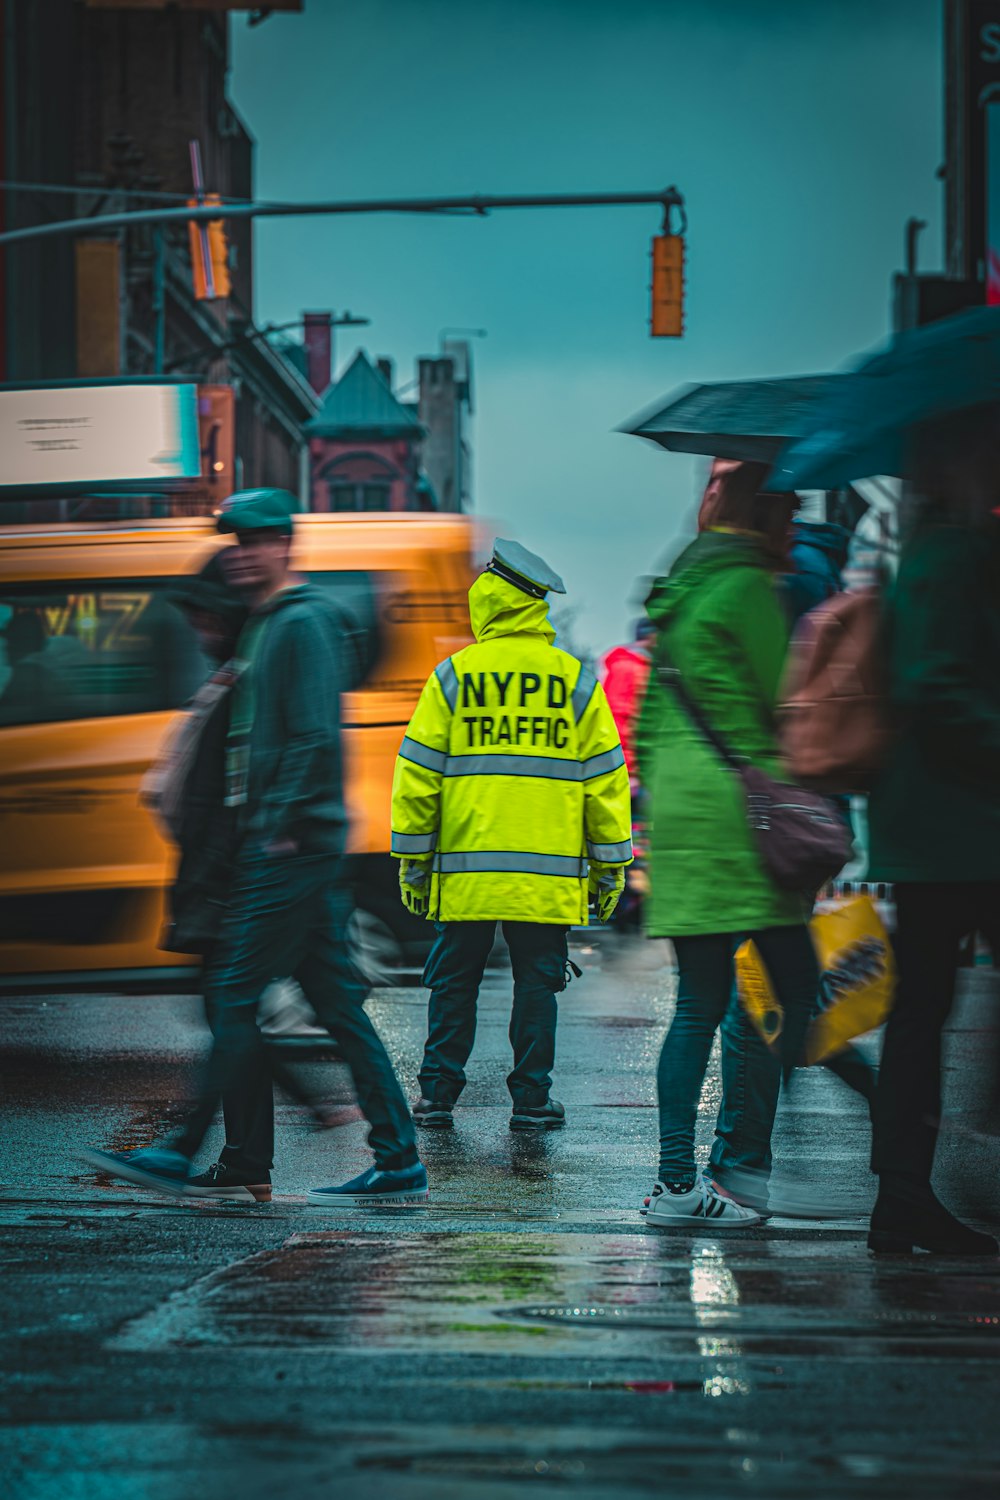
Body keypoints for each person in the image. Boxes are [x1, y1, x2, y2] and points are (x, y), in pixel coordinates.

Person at [84, 489, 426, 1208]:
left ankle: (184, 1153)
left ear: (285, 546)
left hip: (291, 847)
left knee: (234, 995)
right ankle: (392, 1159)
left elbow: (309, 736)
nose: (241, 556)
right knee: (338, 1008)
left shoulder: (300, 624)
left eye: (255, 543)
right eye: (234, 544)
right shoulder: (266, 626)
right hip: (293, 844)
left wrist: (276, 825)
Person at [390, 539, 632, 1131]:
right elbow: (605, 783)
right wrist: (610, 868)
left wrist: (413, 863)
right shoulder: (574, 683)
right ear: (536, 606)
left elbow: (418, 777)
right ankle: (530, 1100)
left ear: (488, 602)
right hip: (544, 879)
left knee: (454, 983)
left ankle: (437, 1096)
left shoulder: (452, 677)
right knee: (536, 988)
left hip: (467, 872)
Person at [636, 460, 820, 1229]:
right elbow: (788, 703)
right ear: (769, 515)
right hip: (743, 824)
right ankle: (894, 1150)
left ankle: (677, 1185)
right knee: (799, 986)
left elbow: (648, 727)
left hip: (685, 816)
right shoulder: (749, 588)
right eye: (791, 514)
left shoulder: (678, 589)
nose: (797, 529)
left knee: (698, 1004)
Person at [867, 410, 1000, 1257]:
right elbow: (938, 685)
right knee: (921, 1012)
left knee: (919, 1010)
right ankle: (922, 1185)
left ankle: (904, 1195)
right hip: (964, 824)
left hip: (932, 825)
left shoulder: (932, 550)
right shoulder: (952, 554)